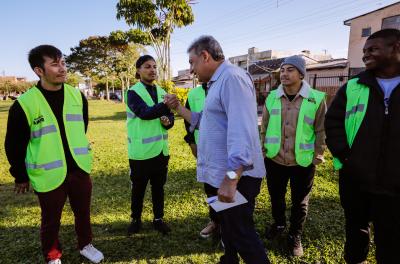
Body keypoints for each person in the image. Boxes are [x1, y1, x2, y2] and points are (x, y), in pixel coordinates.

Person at [164, 35, 270, 264]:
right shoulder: (216, 83)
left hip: (236, 177)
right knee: (229, 227)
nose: (191, 70)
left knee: (243, 234)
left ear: (205, 56)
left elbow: (242, 133)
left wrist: (231, 180)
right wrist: (179, 108)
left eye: (192, 62)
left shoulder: (232, 78)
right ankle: (229, 260)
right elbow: (209, 122)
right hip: (223, 175)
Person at [4, 45, 103, 264]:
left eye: (63, 62)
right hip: (48, 172)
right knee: (51, 219)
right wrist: (20, 175)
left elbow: (81, 127)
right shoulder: (24, 104)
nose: (62, 68)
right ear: (39, 71)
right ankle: (52, 255)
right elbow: (13, 144)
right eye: (55, 64)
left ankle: (86, 245)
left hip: (79, 167)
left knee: (83, 213)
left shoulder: (77, 96)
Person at [325, 28, 400, 264]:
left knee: (391, 237)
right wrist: (346, 157)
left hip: (395, 183)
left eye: (373, 49)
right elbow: (333, 122)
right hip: (355, 179)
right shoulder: (354, 86)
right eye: (365, 51)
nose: (366, 55)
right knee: (355, 229)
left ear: (395, 48)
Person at [260, 55, 327, 256]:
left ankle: (294, 235)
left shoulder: (316, 98)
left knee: (300, 202)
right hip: (275, 159)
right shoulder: (272, 97)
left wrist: (318, 153)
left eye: (290, 70)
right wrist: (263, 150)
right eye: (282, 70)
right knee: (276, 197)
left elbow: (321, 130)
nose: (284, 74)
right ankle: (279, 225)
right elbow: (264, 127)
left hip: (303, 161)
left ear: (301, 74)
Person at [126, 55, 174, 235]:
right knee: (138, 189)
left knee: (158, 188)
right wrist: (165, 105)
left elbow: (169, 117)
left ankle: (158, 219)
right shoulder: (132, 92)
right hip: (140, 152)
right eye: (147, 66)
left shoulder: (162, 92)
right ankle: (135, 219)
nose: (153, 70)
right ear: (138, 70)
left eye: (155, 67)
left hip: (161, 151)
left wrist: (168, 121)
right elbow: (144, 113)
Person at [184, 82, 219, 239]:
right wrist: (192, 143)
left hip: (223, 150)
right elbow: (188, 122)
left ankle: (228, 226)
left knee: (226, 188)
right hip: (204, 149)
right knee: (210, 188)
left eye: (195, 63)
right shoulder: (193, 94)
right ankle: (215, 221)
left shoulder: (224, 88)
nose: (193, 69)